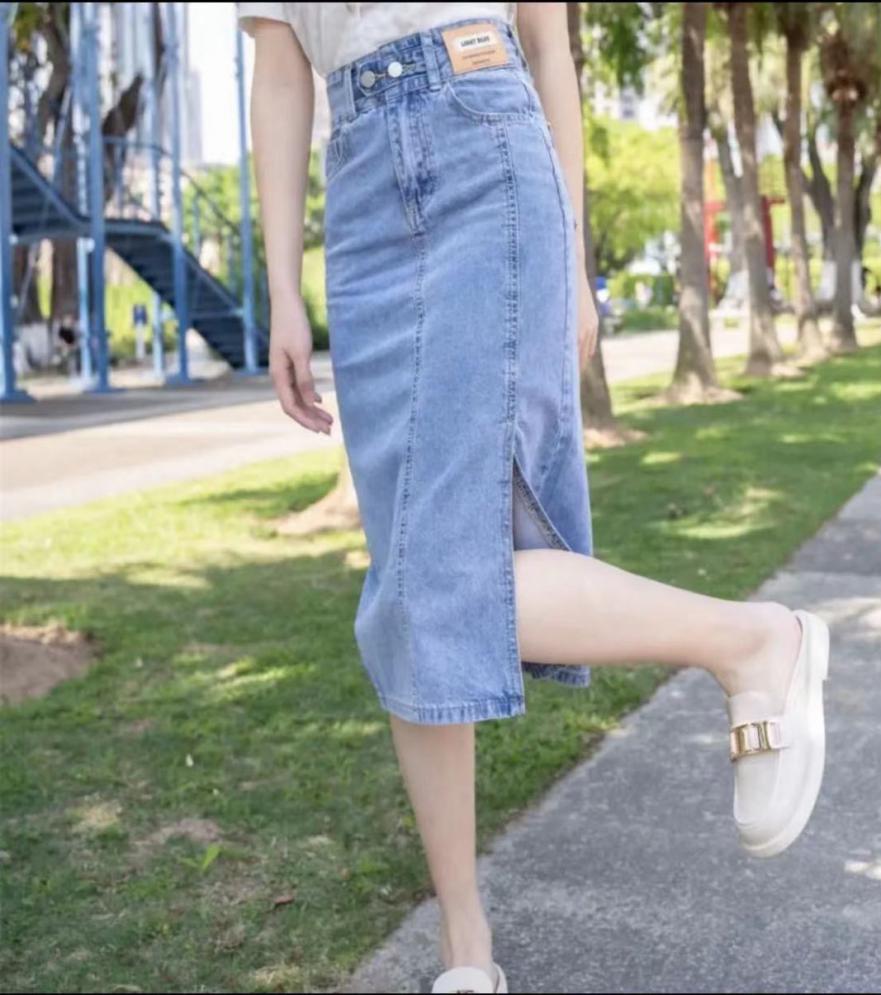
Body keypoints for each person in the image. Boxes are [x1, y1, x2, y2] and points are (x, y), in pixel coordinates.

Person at [239, 5, 830, 993]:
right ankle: (465, 941)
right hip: (360, 198)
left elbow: (549, 42)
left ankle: (753, 641)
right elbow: (279, 70)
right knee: (413, 589)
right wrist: (283, 292)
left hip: (485, 147)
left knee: (426, 588)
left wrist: (579, 263)